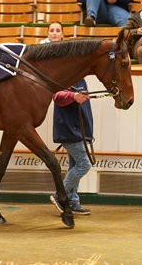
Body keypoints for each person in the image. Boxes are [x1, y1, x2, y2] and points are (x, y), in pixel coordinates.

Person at [40, 22, 93, 215]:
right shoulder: (59, 72)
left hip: (77, 126)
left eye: (58, 30)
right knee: (83, 164)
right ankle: (59, 194)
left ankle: (73, 201)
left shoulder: (78, 75)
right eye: (52, 30)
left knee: (74, 165)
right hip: (68, 127)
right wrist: (74, 96)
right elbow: (57, 95)